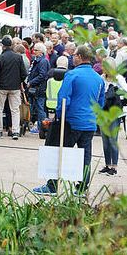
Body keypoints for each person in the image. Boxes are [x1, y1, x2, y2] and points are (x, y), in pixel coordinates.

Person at [32, 45, 105, 196]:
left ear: (79, 56)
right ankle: (82, 188)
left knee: (59, 152)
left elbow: (64, 98)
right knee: (85, 155)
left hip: (71, 121)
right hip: (89, 122)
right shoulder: (98, 79)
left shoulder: (72, 75)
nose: (72, 57)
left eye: (74, 55)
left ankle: (52, 185)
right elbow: (101, 102)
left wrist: (58, 115)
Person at [98, 58, 127, 176]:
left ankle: (114, 166)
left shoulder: (119, 79)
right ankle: (107, 165)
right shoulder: (102, 78)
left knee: (112, 140)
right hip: (103, 111)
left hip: (114, 112)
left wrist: (116, 96)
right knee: (105, 140)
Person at [0, 36, 27, 140]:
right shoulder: (18, 57)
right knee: (15, 110)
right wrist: (19, 81)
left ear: (3, 46)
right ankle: (15, 131)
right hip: (15, 87)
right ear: (12, 45)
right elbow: (24, 73)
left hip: (2, 87)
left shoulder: (0, 58)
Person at [26, 43, 50, 134]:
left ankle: (43, 128)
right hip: (36, 89)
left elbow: (42, 75)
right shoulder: (37, 60)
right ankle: (40, 127)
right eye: (34, 50)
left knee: (40, 109)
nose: (34, 51)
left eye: (36, 50)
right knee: (37, 108)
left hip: (39, 89)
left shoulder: (43, 61)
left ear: (41, 52)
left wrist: (31, 82)